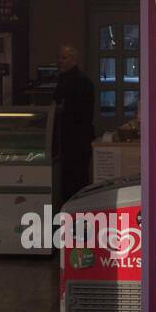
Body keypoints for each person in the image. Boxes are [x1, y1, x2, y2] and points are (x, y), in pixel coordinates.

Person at [53, 43, 95, 206]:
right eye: (58, 57)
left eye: (64, 57)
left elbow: (71, 111)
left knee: (75, 180)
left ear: (74, 60)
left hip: (75, 140)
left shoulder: (78, 82)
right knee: (74, 180)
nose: (60, 61)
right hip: (74, 139)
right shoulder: (70, 79)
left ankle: (74, 212)